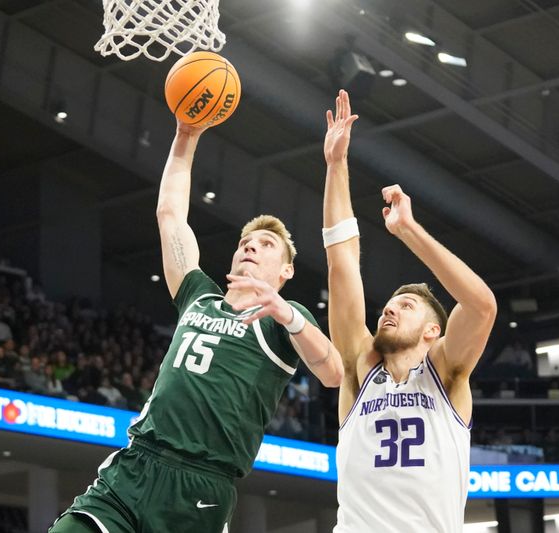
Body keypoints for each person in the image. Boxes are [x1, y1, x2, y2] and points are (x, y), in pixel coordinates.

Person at [50, 119, 344, 533]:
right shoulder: (198, 294)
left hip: (200, 485)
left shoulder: (284, 319)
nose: (251, 246)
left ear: (286, 270)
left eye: (266, 244)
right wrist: (185, 137)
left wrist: (287, 313)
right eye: (246, 242)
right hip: (136, 463)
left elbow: (333, 372)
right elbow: (169, 213)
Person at [322, 90, 497, 532]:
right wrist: (336, 166)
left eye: (406, 305)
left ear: (433, 331)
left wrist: (409, 231)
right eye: (390, 304)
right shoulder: (359, 369)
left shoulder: (448, 375)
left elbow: (481, 306)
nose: (389, 310)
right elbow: (342, 264)